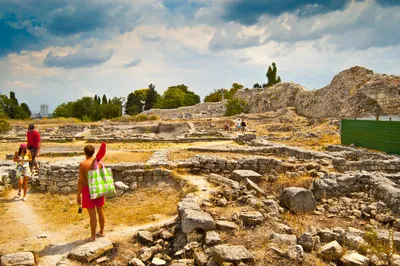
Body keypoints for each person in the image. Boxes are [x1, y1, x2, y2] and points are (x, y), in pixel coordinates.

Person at [77, 144, 106, 242]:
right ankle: (101, 232)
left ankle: (93, 236)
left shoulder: (83, 164)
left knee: (92, 214)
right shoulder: (100, 163)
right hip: (98, 188)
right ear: (93, 152)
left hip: (88, 190)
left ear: (84, 153)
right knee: (101, 211)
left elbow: (80, 181)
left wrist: (78, 195)